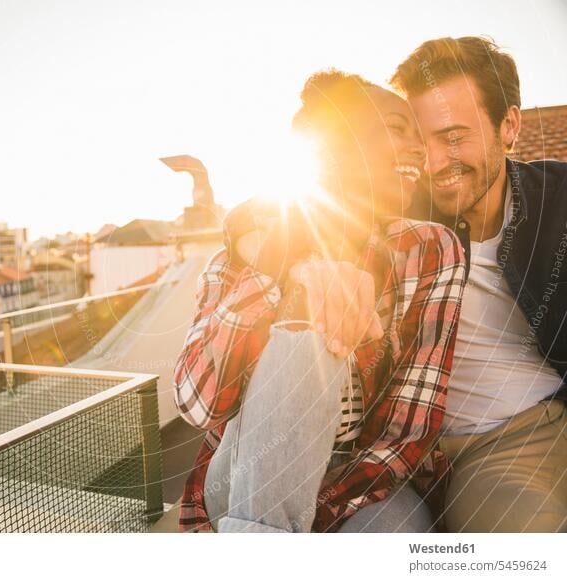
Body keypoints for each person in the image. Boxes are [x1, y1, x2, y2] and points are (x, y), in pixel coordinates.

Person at [173, 69, 467, 533]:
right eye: (396, 130)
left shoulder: (431, 251)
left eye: (418, 135)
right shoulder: (239, 258)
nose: (418, 147)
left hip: (367, 480)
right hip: (241, 471)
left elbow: (408, 430)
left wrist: (312, 512)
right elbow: (197, 405)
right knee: (310, 310)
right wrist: (280, 277)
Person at [391, 36, 567, 532]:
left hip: (521, 435)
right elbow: (290, 212)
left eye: (452, 137)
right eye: (420, 139)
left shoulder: (558, 200)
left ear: (508, 125)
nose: (434, 160)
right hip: (413, 453)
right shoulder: (396, 207)